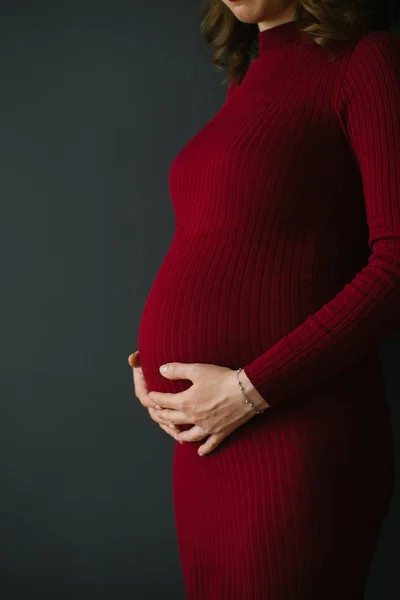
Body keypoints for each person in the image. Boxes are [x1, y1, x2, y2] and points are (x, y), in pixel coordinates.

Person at [128, 0, 400, 597]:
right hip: (208, 445)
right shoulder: (249, 81)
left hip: (296, 437)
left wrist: (252, 389)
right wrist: (156, 364)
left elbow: (396, 265)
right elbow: (239, 240)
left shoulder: (363, 61)